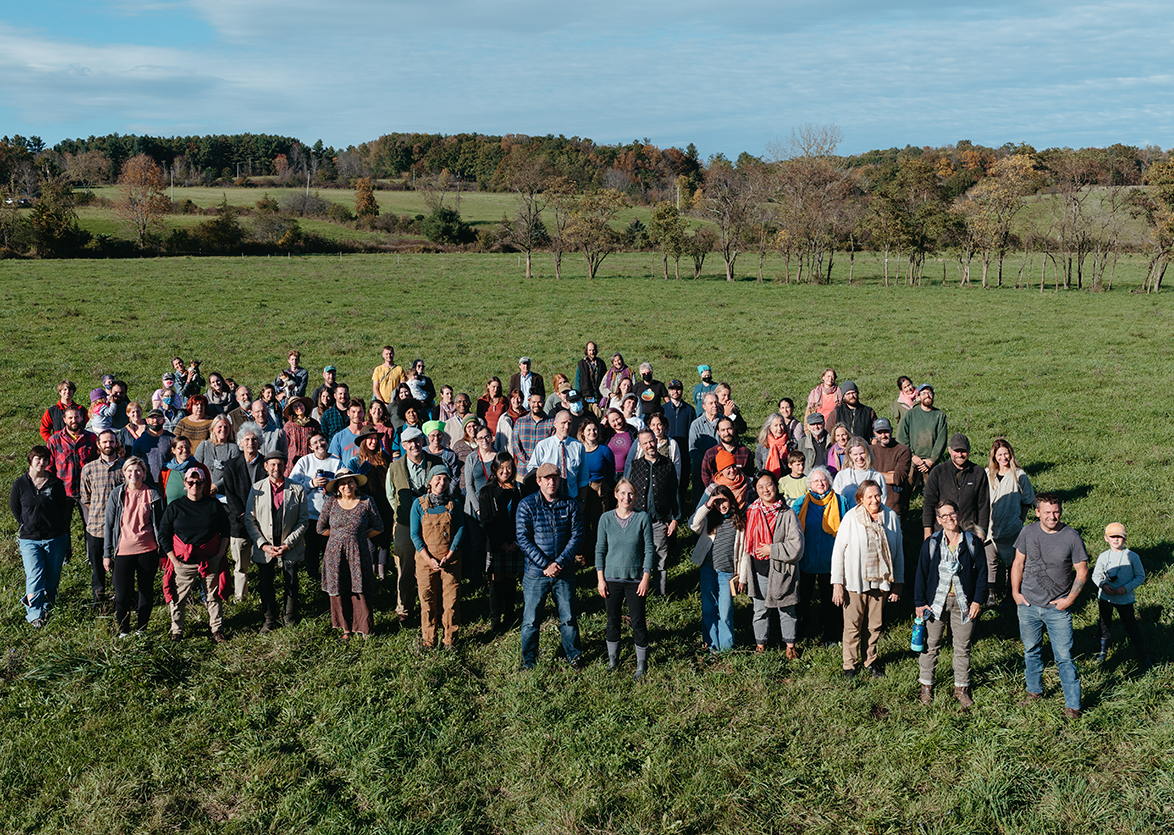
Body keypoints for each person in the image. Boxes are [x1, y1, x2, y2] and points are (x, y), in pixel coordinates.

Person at [1011, 493, 1089, 719]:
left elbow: (1082, 572)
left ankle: (1073, 705)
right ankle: (1034, 690)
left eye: (1056, 512)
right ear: (1037, 513)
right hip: (1028, 604)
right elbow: (1018, 562)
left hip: (1058, 608)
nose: (1052, 516)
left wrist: (1069, 600)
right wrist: (1015, 593)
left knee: (1064, 655)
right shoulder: (1027, 532)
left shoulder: (1071, 537)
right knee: (1031, 650)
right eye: (1047, 512)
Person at [913, 500, 986, 708]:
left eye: (952, 514)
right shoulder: (932, 543)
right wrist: (920, 602)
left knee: (962, 648)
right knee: (930, 645)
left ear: (959, 514)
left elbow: (982, 574)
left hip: (963, 603)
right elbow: (921, 574)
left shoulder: (972, 542)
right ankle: (926, 686)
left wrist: (977, 601)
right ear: (938, 520)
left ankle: (961, 689)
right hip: (936, 603)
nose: (949, 519)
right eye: (943, 516)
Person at [831, 480, 903, 678]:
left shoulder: (890, 517)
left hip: (881, 581)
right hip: (854, 581)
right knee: (852, 625)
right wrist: (838, 583)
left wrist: (898, 583)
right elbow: (838, 552)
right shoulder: (851, 518)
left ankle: (870, 660)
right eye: (869, 496)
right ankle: (850, 665)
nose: (875, 500)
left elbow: (898, 552)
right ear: (860, 498)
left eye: (877, 495)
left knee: (874, 624)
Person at [516, 463, 585, 670]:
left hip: (564, 572)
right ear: (539, 481)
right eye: (546, 478)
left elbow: (577, 535)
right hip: (536, 573)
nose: (551, 482)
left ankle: (574, 656)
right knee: (530, 620)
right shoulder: (527, 505)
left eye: (555, 478)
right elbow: (523, 538)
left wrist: (559, 562)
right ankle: (529, 661)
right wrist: (546, 564)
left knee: (569, 618)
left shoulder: (570, 504)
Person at [737, 471, 804, 658]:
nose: (765, 489)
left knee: (787, 609)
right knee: (760, 610)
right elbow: (745, 545)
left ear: (776, 485)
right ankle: (760, 644)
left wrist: (772, 550)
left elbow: (796, 546)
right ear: (755, 490)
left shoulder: (787, 513)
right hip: (759, 570)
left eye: (769, 484)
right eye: (760, 487)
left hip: (783, 571)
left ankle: (790, 645)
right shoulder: (751, 512)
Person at [159, 468, 230, 642]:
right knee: (178, 597)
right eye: (191, 482)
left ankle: (217, 629)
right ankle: (177, 630)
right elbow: (163, 533)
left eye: (199, 483)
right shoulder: (175, 506)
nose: (194, 486)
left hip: (210, 558)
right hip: (183, 562)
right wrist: (173, 560)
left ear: (204, 484)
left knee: (213, 597)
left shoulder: (214, 505)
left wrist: (220, 554)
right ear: (185, 484)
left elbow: (226, 530)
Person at [595, 478, 655, 679]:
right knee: (612, 621)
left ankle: (641, 663)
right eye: (622, 493)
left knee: (638, 621)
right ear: (615, 495)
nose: (626, 497)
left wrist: (646, 577)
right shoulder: (605, 519)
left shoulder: (642, 518)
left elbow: (648, 549)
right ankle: (613, 659)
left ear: (635, 496)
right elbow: (600, 550)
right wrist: (600, 579)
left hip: (635, 580)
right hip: (611, 579)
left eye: (630, 493)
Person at [246, 451, 309, 632]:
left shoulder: (296, 489)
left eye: (280, 464)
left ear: (285, 466)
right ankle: (269, 619)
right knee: (265, 584)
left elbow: (303, 521)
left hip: (289, 546)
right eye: (272, 464)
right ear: (266, 467)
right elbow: (250, 520)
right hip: (265, 547)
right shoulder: (257, 488)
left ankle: (289, 617)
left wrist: (288, 543)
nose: (276, 468)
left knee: (291, 582)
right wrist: (263, 545)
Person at [385, 427, 444, 624]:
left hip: (431, 524)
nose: (414, 445)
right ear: (403, 446)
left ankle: (434, 606)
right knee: (404, 567)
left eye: (417, 440)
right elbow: (391, 495)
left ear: (423, 441)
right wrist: (405, 514)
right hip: (403, 525)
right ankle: (405, 608)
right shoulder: (394, 467)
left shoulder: (436, 462)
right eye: (409, 442)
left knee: (432, 565)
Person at [10, 445, 71, 628]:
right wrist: (27, 524)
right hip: (29, 539)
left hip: (55, 537)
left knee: (52, 577)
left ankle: (48, 607)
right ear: (30, 460)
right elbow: (16, 509)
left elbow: (63, 509)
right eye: (38, 458)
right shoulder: (19, 484)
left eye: (45, 459)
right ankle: (35, 614)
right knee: (35, 575)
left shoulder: (55, 484)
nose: (41, 462)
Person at [318, 469, 383, 639]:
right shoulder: (330, 502)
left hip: (358, 551)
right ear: (337, 487)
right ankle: (345, 627)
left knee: (360, 588)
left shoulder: (366, 501)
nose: (347, 486)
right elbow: (320, 528)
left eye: (350, 482)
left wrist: (359, 536)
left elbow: (379, 527)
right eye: (342, 483)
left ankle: (363, 627)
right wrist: (338, 537)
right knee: (340, 587)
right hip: (334, 553)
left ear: (356, 484)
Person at [103, 457, 163, 637]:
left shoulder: (153, 494)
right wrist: (107, 553)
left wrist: (163, 553)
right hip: (123, 551)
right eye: (130, 470)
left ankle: (141, 630)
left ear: (144, 473)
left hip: (148, 550)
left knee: (146, 591)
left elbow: (160, 525)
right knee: (122, 594)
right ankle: (123, 631)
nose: (134, 474)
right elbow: (109, 525)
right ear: (124, 473)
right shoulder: (117, 494)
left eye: (138, 471)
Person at [411, 465, 465, 649]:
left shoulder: (454, 504)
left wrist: (450, 554)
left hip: (450, 560)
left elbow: (460, 529)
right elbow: (415, 535)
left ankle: (450, 640)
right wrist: (429, 559)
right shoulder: (418, 504)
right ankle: (429, 641)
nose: (442, 482)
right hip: (426, 561)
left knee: (451, 602)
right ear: (430, 481)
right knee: (427, 602)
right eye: (438, 478)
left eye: (446, 479)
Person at [792, 466, 847, 647]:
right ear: (810, 484)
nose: (820, 484)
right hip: (806, 559)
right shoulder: (800, 503)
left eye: (823, 480)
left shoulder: (841, 502)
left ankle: (831, 635)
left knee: (831, 602)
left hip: (831, 561)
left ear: (829, 482)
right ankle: (800, 633)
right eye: (816, 481)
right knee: (802, 599)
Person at [626, 429, 679, 596]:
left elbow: (674, 493)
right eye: (646, 443)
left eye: (652, 441)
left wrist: (674, 519)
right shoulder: (635, 465)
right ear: (640, 446)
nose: (650, 445)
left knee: (660, 559)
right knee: (637, 557)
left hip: (659, 520)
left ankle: (660, 594)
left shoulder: (667, 464)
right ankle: (637, 593)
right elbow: (625, 492)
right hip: (637, 520)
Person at [690, 485, 742, 652]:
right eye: (717, 503)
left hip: (727, 573)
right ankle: (712, 645)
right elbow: (693, 524)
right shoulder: (709, 520)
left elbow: (745, 553)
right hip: (708, 570)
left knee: (725, 611)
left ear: (730, 500)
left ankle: (726, 648)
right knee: (708, 607)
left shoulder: (739, 521)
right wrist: (707, 504)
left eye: (724, 501)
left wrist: (742, 575)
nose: (721, 506)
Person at [288, 431, 342, 588]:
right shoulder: (304, 462)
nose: (320, 445)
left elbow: (345, 483)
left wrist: (331, 484)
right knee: (311, 547)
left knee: (328, 548)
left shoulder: (336, 462)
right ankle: (312, 577)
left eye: (322, 441)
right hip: (311, 513)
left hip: (332, 514)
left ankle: (329, 577)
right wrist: (311, 484)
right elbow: (292, 487)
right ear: (310, 447)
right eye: (315, 443)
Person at [985, 438, 1035, 606]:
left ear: (1011, 454)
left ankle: (1009, 593)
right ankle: (990, 594)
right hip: (990, 526)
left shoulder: (1019, 475)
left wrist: (1020, 519)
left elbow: (1028, 500)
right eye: (1000, 454)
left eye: (1006, 454)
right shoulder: (987, 474)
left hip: (1011, 526)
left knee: (1011, 562)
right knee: (990, 560)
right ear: (994, 456)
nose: (1003, 458)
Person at [1092, 523, 1149, 669]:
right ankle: (1103, 651)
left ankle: (1143, 654)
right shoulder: (1104, 556)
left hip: (1125, 599)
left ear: (1125, 539)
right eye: (1112, 536)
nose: (1116, 540)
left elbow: (1140, 576)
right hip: (1106, 598)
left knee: (1131, 625)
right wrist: (1103, 585)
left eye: (1119, 537)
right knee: (1104, 624)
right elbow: (1096, 575)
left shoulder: (1132, 556)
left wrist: (1126, 588)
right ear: (1106, 538)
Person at [79, 429, 124, 607]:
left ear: (116, 443)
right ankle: (98, 600)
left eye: (111, 442)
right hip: (96, 527)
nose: (108, 445)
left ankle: (120, 598)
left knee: (118, 567)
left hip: (119, 528)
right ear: (98, 445)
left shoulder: (125, 467)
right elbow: (86, 498)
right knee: (97, 568)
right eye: (104, 442)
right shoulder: (89, 468)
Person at [46, 404, 99, 550]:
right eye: (70, 418)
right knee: (63, 525)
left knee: (91, 525)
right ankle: (64, 554)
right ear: (64, 419)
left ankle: (91, 556)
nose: (74, 420)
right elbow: (49, 467)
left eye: (76, 417)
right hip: (64, 491)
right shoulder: (54, 440)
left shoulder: (92, 438)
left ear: (82, 418)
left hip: (87, 491)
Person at [223, 426, 266, 601]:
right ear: (240, 442)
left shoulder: (266, 463)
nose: (250, 443)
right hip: (238, 522)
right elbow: (230, 493)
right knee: (240, 564)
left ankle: (265, 593)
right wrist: (242, 514)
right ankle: (241, 597)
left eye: (254, 439)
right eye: (247, 439)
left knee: (264, 562)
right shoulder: (231, 465)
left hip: (263, 521)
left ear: (259, 442)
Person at [480, 452, 522, 632]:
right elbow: (487, 522)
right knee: (496, 580)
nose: (505, 471)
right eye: (502, 468)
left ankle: (510, 614)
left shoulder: (518, 489)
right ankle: (495, 618)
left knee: (511, 580)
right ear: (495, 469)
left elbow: (522, 517)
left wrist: (515, 542)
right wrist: (502, 544)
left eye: (509, 468)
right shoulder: (486, 492)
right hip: (496, 543)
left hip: (515, 542)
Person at [922, 433, 989, 543]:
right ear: (949, 450)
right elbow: (929, 503)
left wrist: (982, 532)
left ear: (969, 450)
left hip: (969, 532)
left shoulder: (978, 472)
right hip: (942, 532)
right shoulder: (938, 472)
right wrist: (927, 531)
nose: (960, 454)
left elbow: (983, 506)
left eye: (963, 451)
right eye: (956, 451)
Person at [348, 427, 395, 580]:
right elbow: (351, 482)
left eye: (376, 438)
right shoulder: (355, 461)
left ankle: (382, 573)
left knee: (385, 539)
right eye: (370, 438)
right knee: (370, 539)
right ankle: (370, 571)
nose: (374, 441)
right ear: (363, 441)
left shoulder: (385, 457)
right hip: (366, 504)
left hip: (384, 503)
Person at [527, 410, 587, 499]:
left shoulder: (578, 446)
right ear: (555, 423)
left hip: (571, 497)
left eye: (569, 423)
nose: (566, 427)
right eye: (563, 423)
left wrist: (582, 500)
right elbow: (532, 470)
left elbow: (584, 476)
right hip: (548, 498)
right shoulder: (543, 446)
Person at [897, 384, 948, 486]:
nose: (927, 395)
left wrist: (932, 459)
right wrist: (912, 456)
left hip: (930, 460)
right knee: (907, 486)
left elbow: (941, 439)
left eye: (929, 393)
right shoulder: (911, 414)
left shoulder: (939, 415)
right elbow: (901, 436)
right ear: (918, 397)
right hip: (913, 458)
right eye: (923, 393)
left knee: (933, 489)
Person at [662, 379, 695, 511]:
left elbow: (692, 432)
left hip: (684, 451)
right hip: (666, 450)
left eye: (678, 389)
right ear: (669, 391)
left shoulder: (689, 410)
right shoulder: (662, 409)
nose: (675, 391)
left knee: (683, 481)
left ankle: (680, 509)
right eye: (672, 389)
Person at [870, 418, 912, 516]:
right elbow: (863, 475)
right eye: (879, 432)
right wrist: (888, 475)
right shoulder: (870, 451)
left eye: (886, 432)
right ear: (875, 433)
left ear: (892, 430)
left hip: (895, 506)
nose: (883, 435)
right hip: (873, 505)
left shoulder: (903, 450)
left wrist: (873, 474)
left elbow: (898, 478)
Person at [194, 414, 240, 501]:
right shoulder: (204, 445)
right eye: (219, 426)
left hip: (225, 494)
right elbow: (195, 468)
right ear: (213, 429)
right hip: (203, 491)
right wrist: (205, 486)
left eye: (226, 427)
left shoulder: (234, 448)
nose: (223, 429)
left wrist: (216, 486)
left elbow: (234, 473)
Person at [832, 438, 888, 509]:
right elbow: (835, 501)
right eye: (855, 454)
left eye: (862, 453)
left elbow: (882, 503)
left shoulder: (878, 477)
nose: (859, 457)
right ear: (850, 455)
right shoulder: (841, 476)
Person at [700, 417, 753, 489]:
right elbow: (706, 477)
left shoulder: (745, 452)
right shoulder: (710, 454)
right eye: (723, 430)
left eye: (729, 429)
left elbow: (749, 475)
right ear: (718, 432)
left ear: (734, 429)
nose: (727, 433)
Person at [687, 392, 721, 500]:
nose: (714, 405)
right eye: (711, 403)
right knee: (700, 502)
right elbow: (693, 450)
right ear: (704, 406)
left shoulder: (724, 422)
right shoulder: (696, 425)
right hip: (701, 473)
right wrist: (707, 463)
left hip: (721, 472)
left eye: (716, 402)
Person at [510, 393, 552, 477]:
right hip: (523, 470)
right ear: (529, 403)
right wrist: (528, 462)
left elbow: (552, 447)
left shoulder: (551, 423)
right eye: (534, 402)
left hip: (543, 472)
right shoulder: (520, 422)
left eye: (539, 402)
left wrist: (540, 463)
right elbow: (515, 444)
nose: (536, 405)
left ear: (543, 403)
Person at [131, 408, 174, 487]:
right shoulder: (139, 442)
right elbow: (134, 463)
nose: (155, 421)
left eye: (158, 418)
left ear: (164, 421)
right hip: (147, 483)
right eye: (152, 418)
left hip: (169, 481)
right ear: (147, 421)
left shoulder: (172, 439)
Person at [281, 396, 320, 476]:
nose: (299, 407)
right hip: (293, 463)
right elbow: (285, 445)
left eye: (300, 404)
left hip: (311, 461)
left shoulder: (314, 424)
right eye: (295, 406)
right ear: (292, 410)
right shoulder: (289, 426)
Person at [754, 413, 792, 478]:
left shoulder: (790, 444)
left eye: (781, 425)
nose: (779, 428)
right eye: (776, 425)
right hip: (768, 480)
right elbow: (759, 463)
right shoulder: (762, 444)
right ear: (769, 427)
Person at [574, 342, 607, 417]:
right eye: (590, 350)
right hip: (585, 395)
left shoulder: (601, 363)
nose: (592, 352)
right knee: (583, 415)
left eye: (593, 350)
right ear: (586, 351)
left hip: (597, 395)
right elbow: (577, 381)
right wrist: (578, 396)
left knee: (597, 416)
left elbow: (606, 379)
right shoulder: (581, 364)